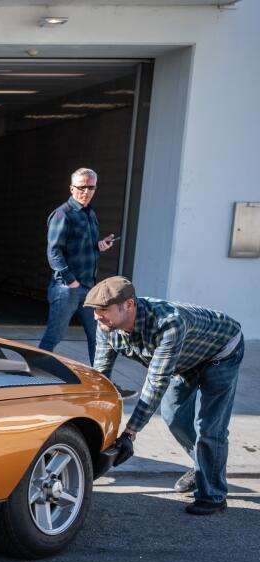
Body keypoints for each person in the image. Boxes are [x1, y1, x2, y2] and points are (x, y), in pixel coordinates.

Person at [86, 276, 243, 515]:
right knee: (174, 417)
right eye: (95, 310)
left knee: (210, 427)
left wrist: (130, 433)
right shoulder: (107, 327)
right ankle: (203, 467)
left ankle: (213, 496)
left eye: (103, 310)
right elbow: (101, 376)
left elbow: (156, 381)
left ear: (129, 305)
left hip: (221, 353)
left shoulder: (169, 324)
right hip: (186, 359)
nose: (97, 316)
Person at [39, 167, 117, 364]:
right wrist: (71, 281)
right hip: (67, 288)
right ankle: (35, 376)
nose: (86, 192)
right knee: (53, 337)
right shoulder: (62, 215)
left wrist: (100, 246)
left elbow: (81, 248)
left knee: (99, 337)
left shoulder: (90, 213)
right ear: (71, 188)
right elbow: (54, 253)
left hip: (88, 288)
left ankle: (101, 382)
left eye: (91, 187)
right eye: (82, 187)